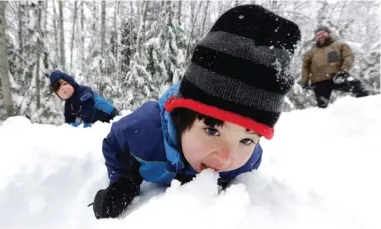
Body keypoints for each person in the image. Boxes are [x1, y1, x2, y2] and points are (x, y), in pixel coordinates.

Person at [90, 4, 301, 219]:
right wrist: (124, 182)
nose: (225, 157)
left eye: (247, 140)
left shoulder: (246, 161)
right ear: (182, 117)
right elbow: (114, 144)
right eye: (212, 130)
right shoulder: (143, 131)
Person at [298, 26, 368, 108]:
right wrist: (304, 82)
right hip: (320, 82)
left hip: (337, 76)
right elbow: (305, 68)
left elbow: (348, 57)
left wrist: (344, 70)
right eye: (318, 35)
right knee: (322, 106)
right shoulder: (310, 53)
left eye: (323, 33)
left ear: (328, 34)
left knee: (357, 87)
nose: (321, 36)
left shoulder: (340, 46)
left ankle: (366, 107)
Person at [49, 70, 119, 127]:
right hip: (97, 121)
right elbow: (69, 118)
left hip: (110, 115)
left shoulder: (83, 91)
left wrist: (86, 122)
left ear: (71, 83)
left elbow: (88, 105)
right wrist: (70, 126)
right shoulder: (69, 104)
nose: (63, 89)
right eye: (58, 89)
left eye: (64, 84)